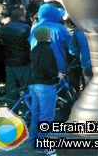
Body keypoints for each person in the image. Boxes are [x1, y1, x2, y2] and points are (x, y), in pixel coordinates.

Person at [28, 26, 63, 155]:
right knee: (46, 116)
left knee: (36, 115)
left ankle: (34, 142)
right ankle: (45, 146)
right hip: (45, 85)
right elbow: (48, 69)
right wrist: (57, 75)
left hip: (33, 84)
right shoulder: (47, 50)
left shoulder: (35, 49)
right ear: (48, 36)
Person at [0, 5, 31, 99]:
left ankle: (12, 110)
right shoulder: (26, 28)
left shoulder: (4, 28)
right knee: (26, 88)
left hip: (9, 62)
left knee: (11, 88)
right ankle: (27, 110)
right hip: (23, 62)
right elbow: (29, 44)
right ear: (21, 16)